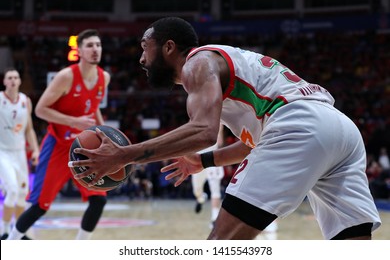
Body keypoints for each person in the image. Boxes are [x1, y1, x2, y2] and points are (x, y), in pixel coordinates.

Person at [69, 17, 381, 240]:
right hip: (340, 129)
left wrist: (125, 155)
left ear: (168, 47)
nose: (140, 58)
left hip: (299, 125)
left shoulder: (197, 63)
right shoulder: (221, 68)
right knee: (352, 241)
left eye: (144, 48)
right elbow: (254, 143)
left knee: (223, 242)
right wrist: (203, 161)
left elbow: (204, 132)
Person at [7, 29, 111, 240]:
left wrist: (105, 133)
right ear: (79, 51)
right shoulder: (66, 77)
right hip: (58, 147)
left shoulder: (104, 78)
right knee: (40, 206)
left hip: (84, 150)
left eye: (98, 45)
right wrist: (74, 121)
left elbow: (94, 107)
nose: (95, 50)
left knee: (98, 199)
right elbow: (40, 110)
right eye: (90, 45)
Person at [0, 68, 40, 240]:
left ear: (20, 81)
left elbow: (29, 129)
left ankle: (18, 232)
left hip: (20, 153)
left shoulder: (26, 101)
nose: (13, 80)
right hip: (2, 151)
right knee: (13, 191)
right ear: (4, 81)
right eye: (10, 78)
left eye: (16, 77)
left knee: (23, 193)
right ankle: (4, 231)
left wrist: (35, 149)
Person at [191, 124, 224, 229]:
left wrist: (218, 136)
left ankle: (214, 218)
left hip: (212, 158)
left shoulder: (219, 119)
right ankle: (201, 199)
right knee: (197, 190)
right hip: (197, 159)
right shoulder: (195, 116)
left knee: (215, 190)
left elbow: (220, 142)